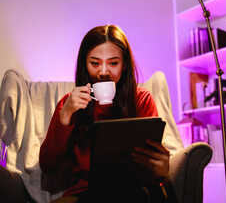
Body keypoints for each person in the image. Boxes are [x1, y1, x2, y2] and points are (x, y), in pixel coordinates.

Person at [40, 25, 169, 202]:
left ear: (124, 65)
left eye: (113, 63)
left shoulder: (141, 99)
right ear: (85, 65)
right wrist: (65, 116)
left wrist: (160, 170)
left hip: (132, 189)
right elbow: (48, 166)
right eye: (95, 63)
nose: (103, 72)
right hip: (85, 192)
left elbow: (152, 165)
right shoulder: (70, 103)